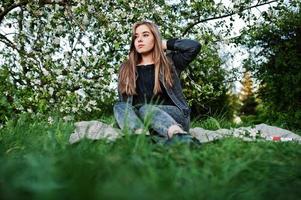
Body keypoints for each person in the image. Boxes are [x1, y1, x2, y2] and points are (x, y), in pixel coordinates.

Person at [113, 20, 201, 144]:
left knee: (147, 109)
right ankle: (140, 137)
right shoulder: (126, 68)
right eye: (136, 36)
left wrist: (163, 44)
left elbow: (193, 46)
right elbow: (125, 105)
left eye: (145, 35)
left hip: (173, 118)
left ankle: (180, 136)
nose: (139, 40)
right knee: (119, 106)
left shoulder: (170, 62)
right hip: (140, 121)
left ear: (156, 38)